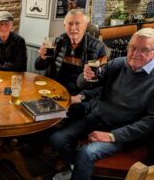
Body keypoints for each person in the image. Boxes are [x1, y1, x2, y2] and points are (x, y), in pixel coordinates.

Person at [50, 28, 154, 180]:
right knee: (57, 139)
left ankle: (80, 169)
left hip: (122, 132)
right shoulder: (119, 63)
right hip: (97, 117)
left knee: (85, 153)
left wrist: (112, 136)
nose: (135, 54)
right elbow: (87, 83)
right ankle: (77, 168)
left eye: (144, 49)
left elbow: (150, 121)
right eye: (132, 47)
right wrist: (86, 77)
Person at [35, 9, 107, 118]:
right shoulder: (58, 41)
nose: (73, 28)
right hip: (55, 92)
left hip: (77, 96)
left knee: (57, 119)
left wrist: (81, 96)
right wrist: (42, 57)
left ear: (86, 25)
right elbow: (39, 66)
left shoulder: (98, 47)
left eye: (77, 23)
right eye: (69, 23)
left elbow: (102, 82)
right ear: (65, 25)